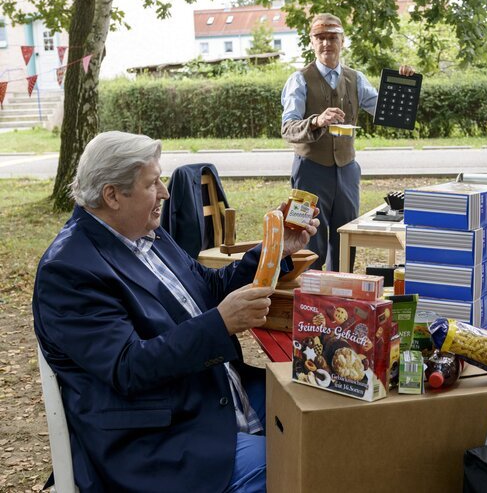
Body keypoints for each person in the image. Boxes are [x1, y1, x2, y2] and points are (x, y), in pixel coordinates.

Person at [32, 131, 318, 492]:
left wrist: (276, 249)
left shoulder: (144, 232)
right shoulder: (70, 269)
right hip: (157, 439)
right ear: (112, 195)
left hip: (208, 394)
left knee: (323, 420)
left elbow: (208, 289)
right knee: (304, 462)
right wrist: (221, 323)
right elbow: (128, 367)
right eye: (153, 183)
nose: (166, 193)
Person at [281, 13, 414, 272]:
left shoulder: (356, 78)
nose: (326, 43)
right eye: (320, 38)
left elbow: (391, 114)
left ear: (343, 41)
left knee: (346, 240)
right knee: (309, 239)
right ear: (311, 42)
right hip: (310, 171)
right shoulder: (299, 80)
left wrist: (405, 85)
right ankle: (310, 299)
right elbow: (288, 129)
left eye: (332, 38)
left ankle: (340, 298)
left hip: (347, 170)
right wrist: (317, 121)